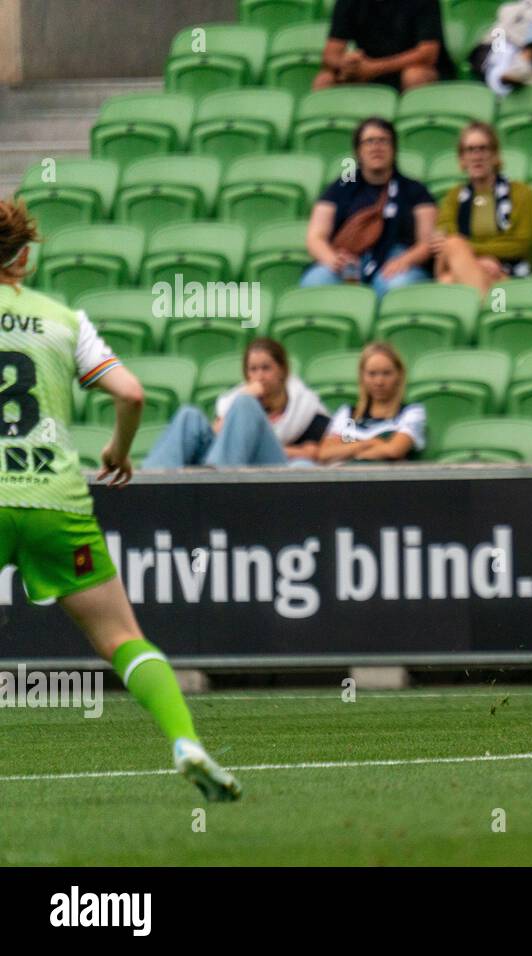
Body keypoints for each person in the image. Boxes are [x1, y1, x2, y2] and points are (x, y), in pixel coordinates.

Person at [0, 200, 240, 800]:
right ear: (24, 258)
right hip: (55, 500)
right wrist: (117, 450)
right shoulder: (62, 319)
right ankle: (186, 743)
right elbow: (130, 393)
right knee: (121, 638)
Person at [302, 118, 437, 300]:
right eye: (369, 141)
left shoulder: (415, 190)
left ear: (394, 148)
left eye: (383, 140)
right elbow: (315, 236)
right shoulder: (340, 188)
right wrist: (332, 259)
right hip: (348, 261)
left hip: (396, 259)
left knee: (396, 287)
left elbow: (427, 242)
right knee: (316, 282)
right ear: (358, 150)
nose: (376, 147)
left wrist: (406, 260)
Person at [142, 339, 330, 469]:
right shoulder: (237, 399)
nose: (259, 377)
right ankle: (150, 487)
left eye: (266, 368)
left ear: (283, 370)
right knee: (188, 415)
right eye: (253, 370)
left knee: (245, 405)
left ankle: (218, 485)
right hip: (230, 463)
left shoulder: (304, 410)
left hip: (273, 470)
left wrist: (260, 442)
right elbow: (218, 437)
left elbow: (317, 454)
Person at [431, 123, 532, 296]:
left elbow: (520, 244)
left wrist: (471, 254)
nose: (477, 156)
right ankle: (489, 312)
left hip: (506, 275)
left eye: (483, 149)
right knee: (453, 245)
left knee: (449, 280)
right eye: (470, 150)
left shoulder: (522, 193)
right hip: (469, 269)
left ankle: (484, 312)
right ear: (462, 159)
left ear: (495, 155)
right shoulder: (453, 197)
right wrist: (479, 261)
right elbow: (446, 240)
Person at [317, 343, 427, 463]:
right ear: (362, 376)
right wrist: (370, 443)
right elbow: (324, 453)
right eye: (372, 374)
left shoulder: (411, 412)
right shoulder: (348, 415)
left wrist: (349, 451)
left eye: (386, 373)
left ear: (399, 375)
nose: (379, 381)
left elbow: (394, 450)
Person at [315, 0, 456, 91]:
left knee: (414, 75)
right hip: (367, 70)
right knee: (324, 80)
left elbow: (427, 54)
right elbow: (330, 54)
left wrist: (373, 68)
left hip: (413, 68)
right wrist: (345, 64)